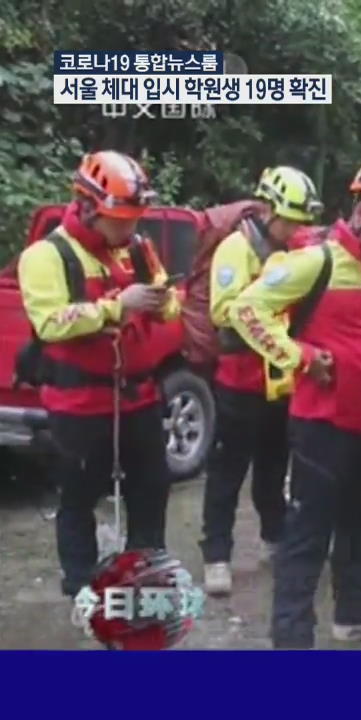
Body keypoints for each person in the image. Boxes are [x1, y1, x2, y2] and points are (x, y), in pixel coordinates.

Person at [230, 157, 361, 648]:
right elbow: (247, 309)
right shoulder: (316, 261)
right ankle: (293, 639)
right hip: (322, 425)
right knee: (307, 537)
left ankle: (356, 614)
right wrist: (297, 355)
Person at [18, 150, 177, 598]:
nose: (128, 228)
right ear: (87, 207)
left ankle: (145, 578)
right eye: (119, 219)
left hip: (140, 399)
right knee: (78, 497)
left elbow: (172, 301)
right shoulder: (46, 257)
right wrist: (115, 307)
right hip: (80, 405)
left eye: (133, 218)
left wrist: (163, 303)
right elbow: (49, 322)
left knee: (151, 490)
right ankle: (83, 587)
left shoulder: (139, 249)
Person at [200, 166, 322, 596]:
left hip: (281, 380)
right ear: (268, 209)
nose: (294, 229)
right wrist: (268, 305)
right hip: (240, 378)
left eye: (299, 222)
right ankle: (217, 554)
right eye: (288, 220)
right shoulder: (237, 248)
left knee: (274, 466)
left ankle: (276, 535)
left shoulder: (298, 250)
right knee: (227, 470)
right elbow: (224, 310)